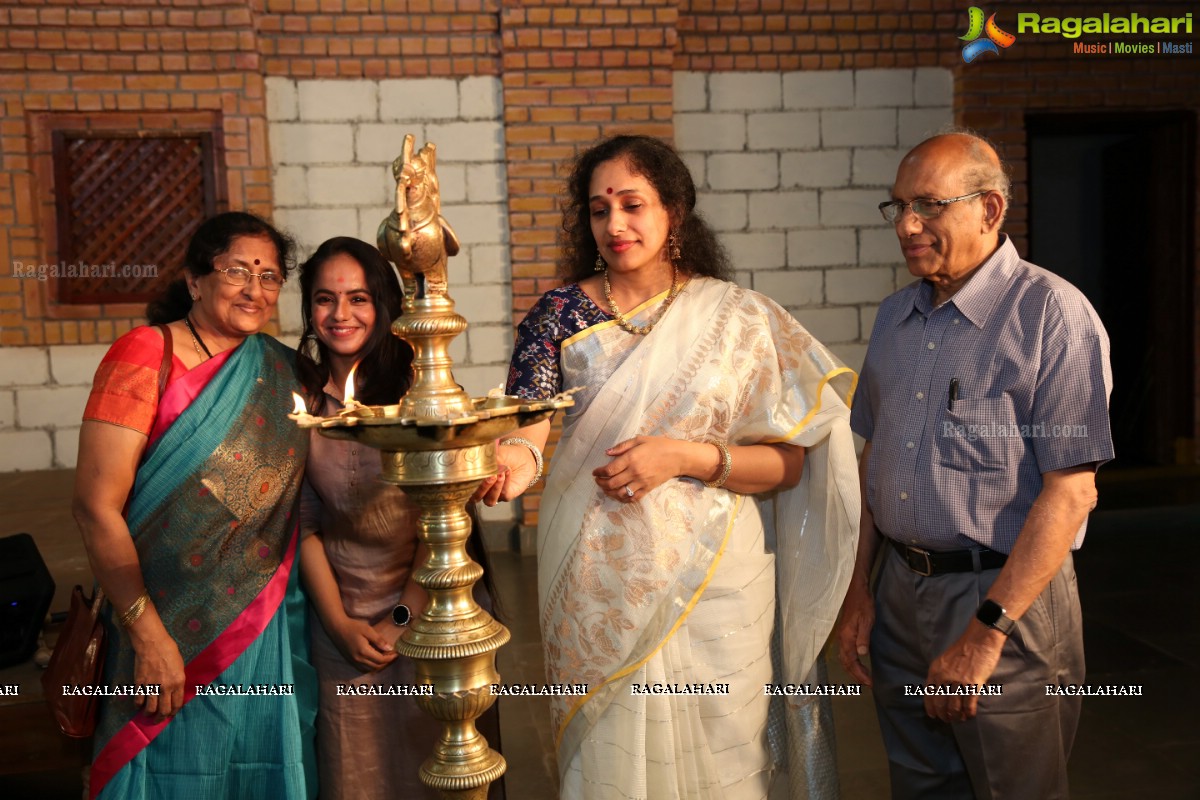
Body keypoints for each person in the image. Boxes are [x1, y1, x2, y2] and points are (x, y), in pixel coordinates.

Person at [476, 135, 860, 799]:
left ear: (674, 212)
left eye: (632, 204)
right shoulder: (558, 316)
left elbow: (790, 465)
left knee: (725, 747)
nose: (615, 224)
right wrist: (516, 458)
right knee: (608, 749)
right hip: (596, 573)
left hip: (718, 576)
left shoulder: (739, 318)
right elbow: (529, 424)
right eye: (599, 210)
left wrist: (685, 456)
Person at [835, 131, 1115, 799]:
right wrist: (858, 596)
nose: (907, 226)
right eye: (898, 206)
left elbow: (1071, 495)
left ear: (989, 210)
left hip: (1001, 601)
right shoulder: (894, 316)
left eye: (929, 205)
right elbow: (875, 463)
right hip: (900, 592)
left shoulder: (1053, 316)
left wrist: (987, 634)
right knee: (921, 783)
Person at [72, 212, 317, 799]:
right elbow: (93, 507)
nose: (254, 289)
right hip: (159, 622)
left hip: (257, 622)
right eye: (237, 271)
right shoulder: (143, 355)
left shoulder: (283, 371)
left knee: (256, 764)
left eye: (269, 275)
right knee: (165, 769)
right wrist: (148, 635)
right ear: (194, 280)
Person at [296, 236, 504, 800]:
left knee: (436, 766)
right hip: (338, 620)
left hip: (432, 608)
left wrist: (402, 617)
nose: (341, 315)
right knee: (354, 772)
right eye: (324, 299)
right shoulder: (301, 402)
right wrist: (340, 625)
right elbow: (305, 525)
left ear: (384, 305)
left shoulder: (420, 396)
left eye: (359, 298)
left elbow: (442, 523)